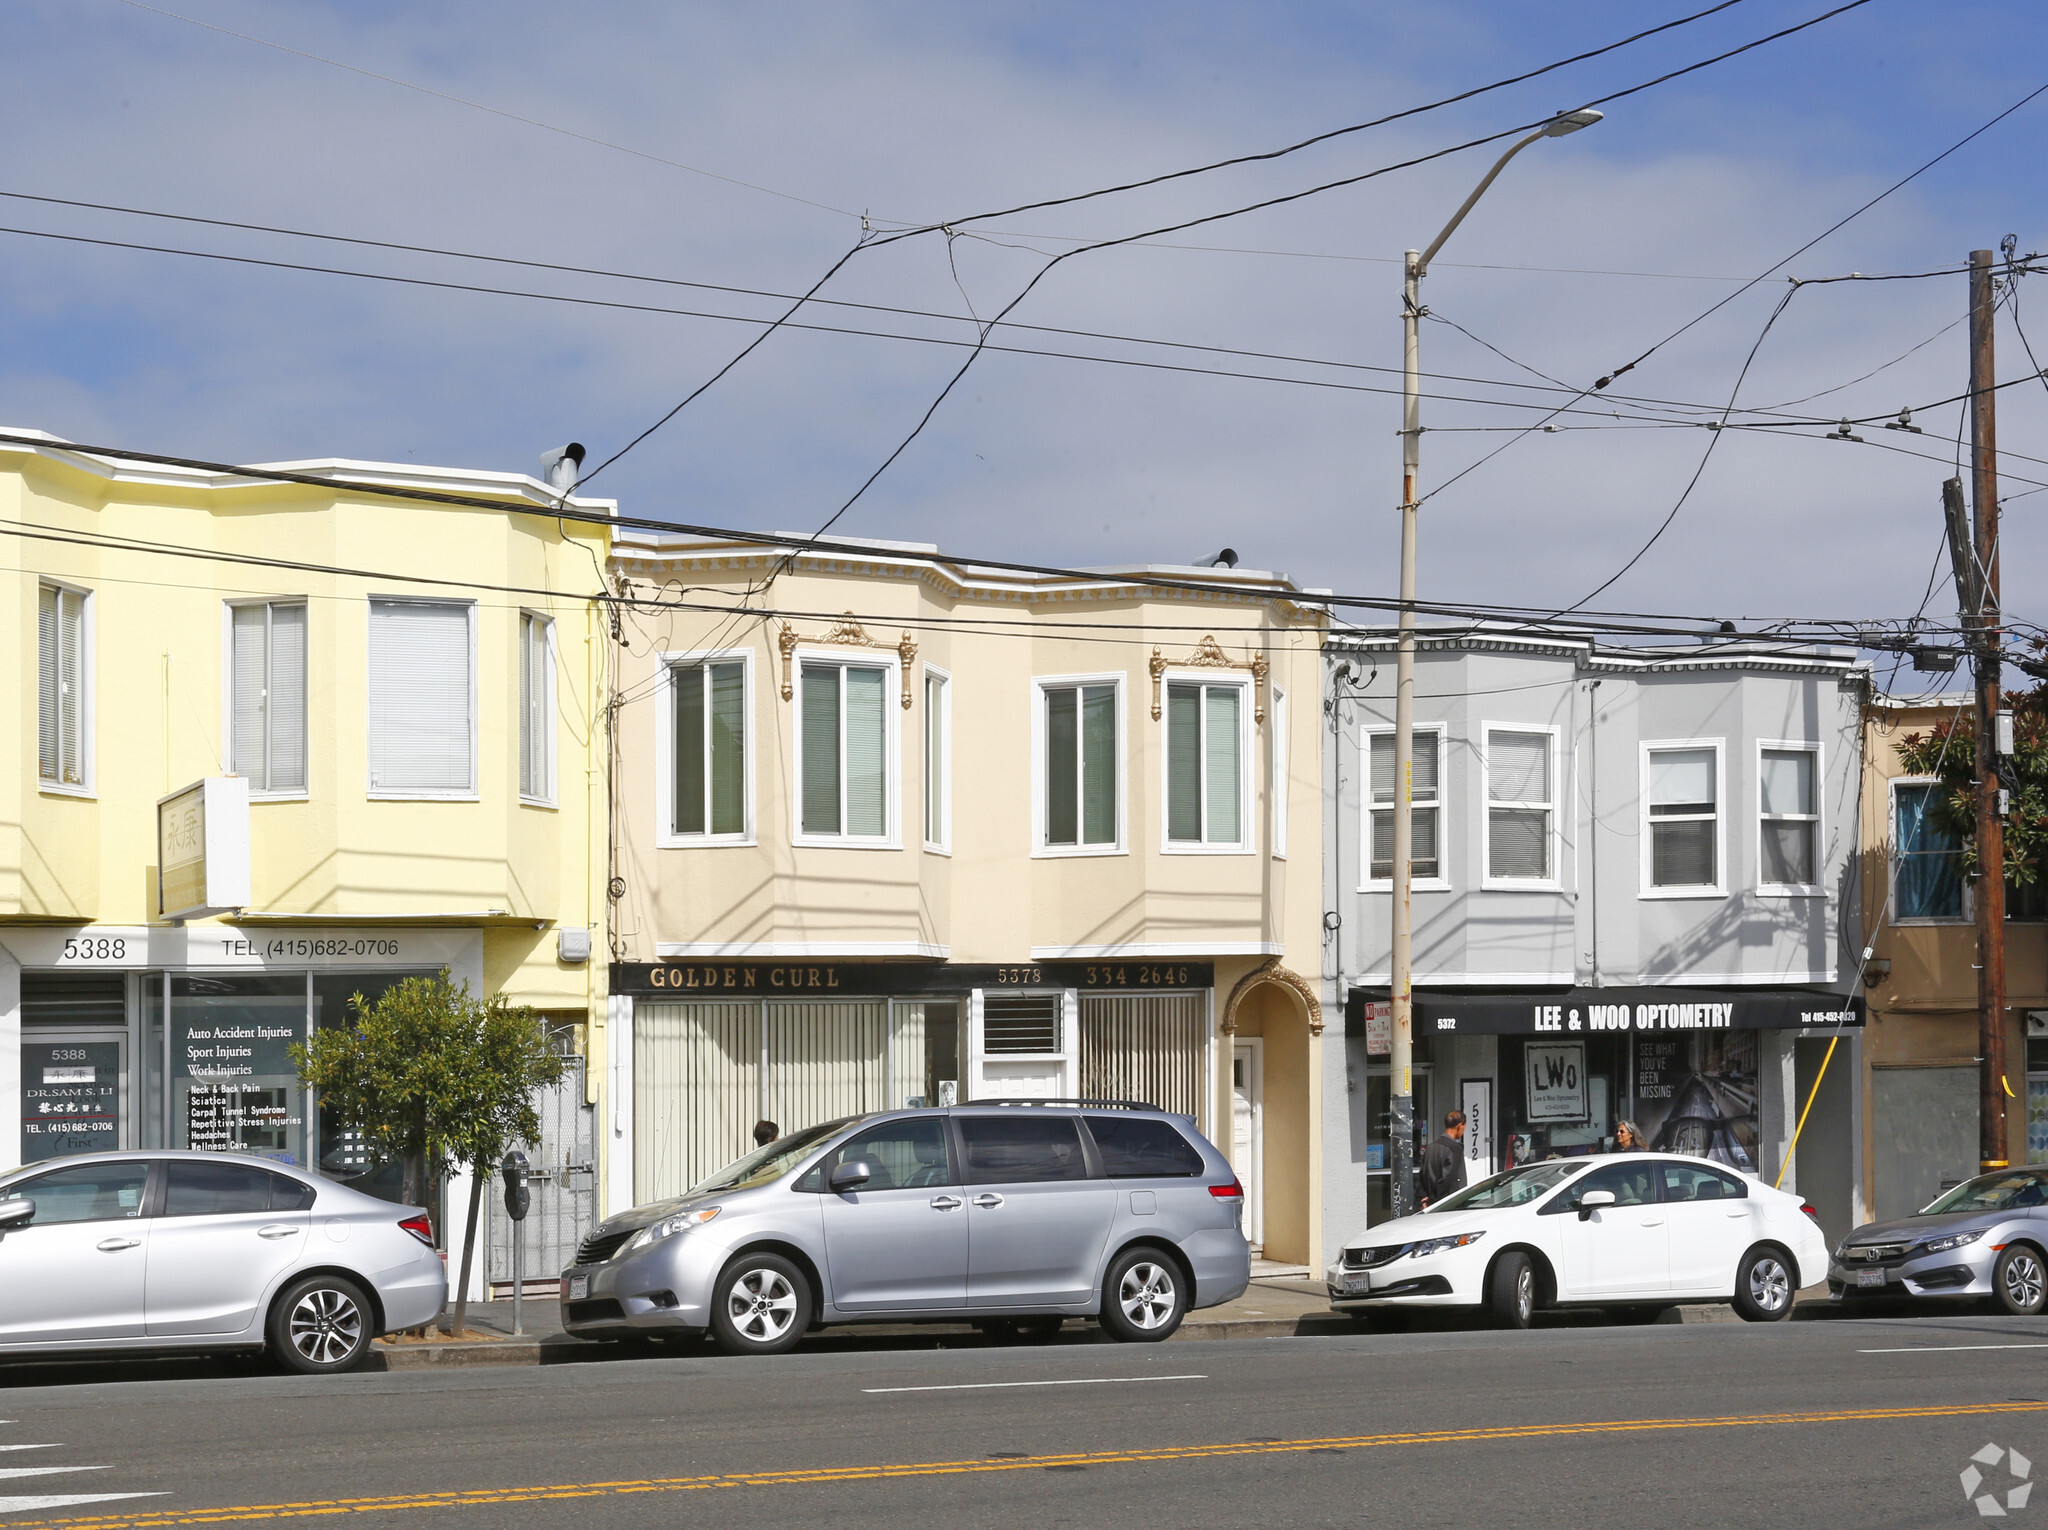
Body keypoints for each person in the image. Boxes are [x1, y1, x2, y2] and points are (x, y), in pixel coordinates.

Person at [1417, 1110, 1467, 1209]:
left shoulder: (1431, 1147)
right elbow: (1448, 1179)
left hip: (1430, 1205)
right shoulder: (1454, 1148)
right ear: (1460, 1125)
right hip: (1449, 1204)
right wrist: (1433, 1198)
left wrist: (1423, 1198)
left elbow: (1422, 1175)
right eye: (1464, 1127)